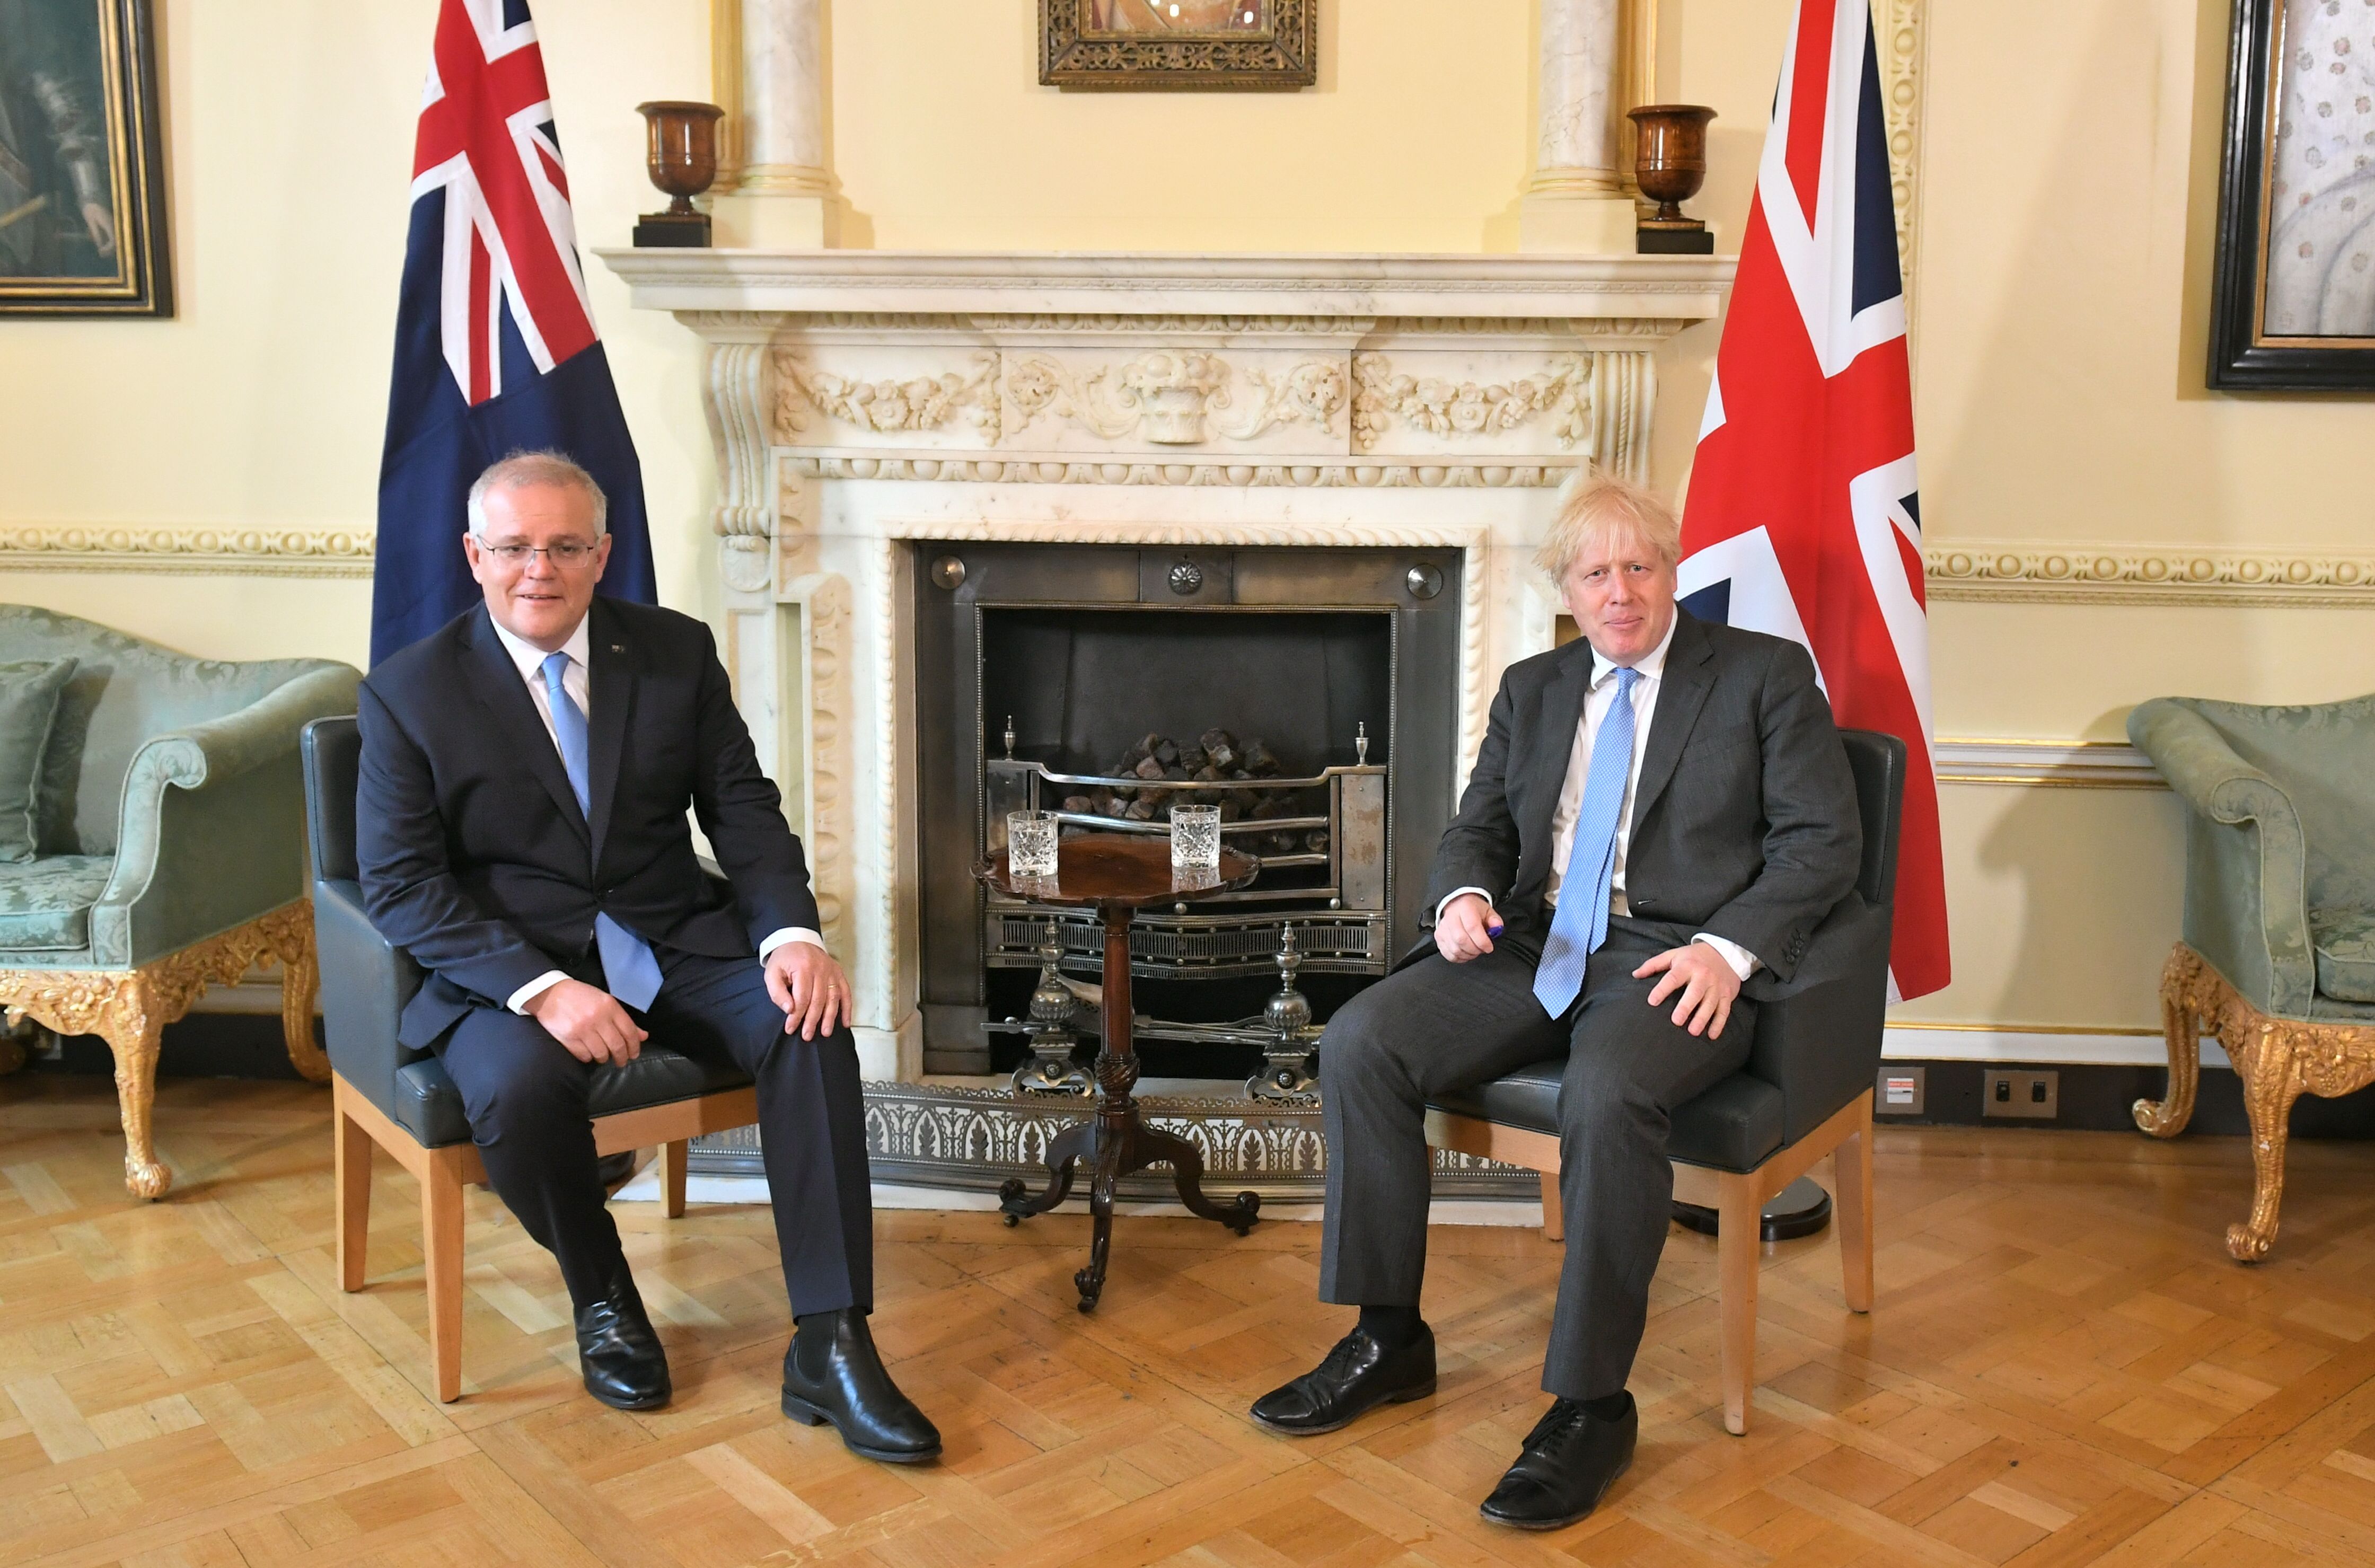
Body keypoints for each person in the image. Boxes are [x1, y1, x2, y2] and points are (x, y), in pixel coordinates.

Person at [1247, 474, 1863, 1529]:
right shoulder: (1534, 689)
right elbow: (1476, 824)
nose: (1619, 592)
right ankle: (1387, 1338)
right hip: (1538, 941)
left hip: (1673, 956)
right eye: (1595, 573)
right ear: (1567, 591)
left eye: (1639, 566)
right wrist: (1463, 898)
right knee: (1357, 1042)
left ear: (1671, 574)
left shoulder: (1762, 677)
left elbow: (1822, 844)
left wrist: (1728, 951)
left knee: (1607, 1091)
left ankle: (1590, 1406)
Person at [356, 451, 938, 1463]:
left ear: (602, 554)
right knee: (518, 1089)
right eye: (514, 547)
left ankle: (833, 1339)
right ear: (473, 556)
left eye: (566, 546)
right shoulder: (412, 692)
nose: (540, 568)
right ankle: (605, 1296)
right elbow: (403, 885)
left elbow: (743, 811)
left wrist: (793, 935)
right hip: (510, 970)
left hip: (677, 935)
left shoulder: (673, 653)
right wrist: (542, 991)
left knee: (811, 1025)